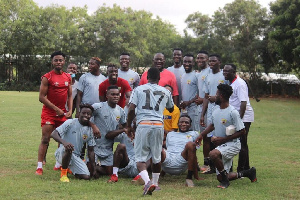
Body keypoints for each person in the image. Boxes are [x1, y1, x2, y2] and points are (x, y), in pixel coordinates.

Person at [196, 84, 257, 189]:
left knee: (213, 154)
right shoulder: (216, 110)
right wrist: (201, 135)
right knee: (220, 176)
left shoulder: (232, 112)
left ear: (222, 96)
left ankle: (225, 181)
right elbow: (212, 125)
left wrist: (223, 139)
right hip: (222, 146)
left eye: (216, 94)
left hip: (232, 144)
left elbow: (242, 131)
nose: (214, 96)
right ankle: (248, 173)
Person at [126, 67, 174, 195]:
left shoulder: (138, 89)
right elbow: (170, 108)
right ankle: (156, 183)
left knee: (140, 158)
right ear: (159, 78)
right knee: (156, 156)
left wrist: (129, 125)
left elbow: (131, 109)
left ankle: (148, 182)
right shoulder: (165, 91)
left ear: (147, 77)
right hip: (158, 125)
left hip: (144, 124)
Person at [35, 51, 72, 175]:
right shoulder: (47, 77)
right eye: (56, 60)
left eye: (60, 60)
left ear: (64, 62)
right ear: (52, 62)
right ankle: (39, 166)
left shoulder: (68, 77)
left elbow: (70, 96)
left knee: (61, 140)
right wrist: (56, 109)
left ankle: (58, 164)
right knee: (45, 139)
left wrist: (70, 110)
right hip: (49, 113)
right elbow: (41, 97)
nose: (58, 62)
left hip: (62, 114)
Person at [50, 104, 97, 182]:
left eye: (88, 114)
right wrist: (64, 142)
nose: (86, 115)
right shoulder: (70, 122)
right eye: (84, 113)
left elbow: (91, 151)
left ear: (91, 116)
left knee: (86, 177)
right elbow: (53, 134)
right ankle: (64, 174)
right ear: (79, 113)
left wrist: (94, 168)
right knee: (69, 148)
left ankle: (71, 169)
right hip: (62, 153)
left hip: (76, 157)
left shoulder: (90, 130)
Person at [223, 64, 255, 172]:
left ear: (233, 72)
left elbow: (243, 103)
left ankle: (241, 170)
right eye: (224, 71)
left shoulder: (240, 84)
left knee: (242, 142)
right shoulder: (230, 83)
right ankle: (246, 167)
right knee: (241, 142)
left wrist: (239, 121)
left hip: (244, 116)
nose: (225, 73)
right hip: (236, 116)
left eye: (227, 72)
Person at [92, 85, 127, 177]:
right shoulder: (98, 107)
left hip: (108, 148)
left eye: (117, 94)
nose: (115, 96)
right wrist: (93, 126)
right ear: (107, 96)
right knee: (91, 172)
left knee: (109, 173)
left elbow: (125, 125)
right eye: (112, 94)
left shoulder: (120, 111)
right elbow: (84, 116)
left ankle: (97, 167)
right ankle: (91, 166)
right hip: (95, 146)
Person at [200, 54, 226, 174]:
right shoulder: (207, 76)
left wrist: (216, 98)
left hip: (221, 110)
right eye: (210, 61)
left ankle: (224, 165)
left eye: (214, 61)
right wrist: (202, 114)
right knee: (210, 138)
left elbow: (227, 94)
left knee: (220, 136)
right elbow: (205, 97)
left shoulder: (224, 76)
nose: (211, 63)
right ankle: (212, 166)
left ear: (219, 62)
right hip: (210, 111)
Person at [161, 115, 200, 187]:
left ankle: (189, 178)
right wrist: (163, 172)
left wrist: (196, 175)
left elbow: (194, 154)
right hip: (167, 161)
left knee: (190, 144)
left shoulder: (194, 134)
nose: (184, 124)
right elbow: (168, 150)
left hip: (181, 161)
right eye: (181, 122)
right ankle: (154, 178)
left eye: (186, 122)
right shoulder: (170, 134)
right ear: (178, 124)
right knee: (156, 147)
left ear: (190, 125)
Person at [194, 50, 211, 172]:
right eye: (198, 58)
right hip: (201, 109)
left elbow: (211, 92)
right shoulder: (199, 74)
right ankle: (206, 163)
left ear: (207, 59)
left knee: (209, 137)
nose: (200, 60)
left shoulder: (211, 72)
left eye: (202, 58)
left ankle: (211, 163)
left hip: (210, 109)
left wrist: (204, 99)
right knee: (203, 136)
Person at [180, 54, 200, 132]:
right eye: (185, 61)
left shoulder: (197, 75)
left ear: (193, 63)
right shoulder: (183, 75)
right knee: (184, 131)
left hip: (193, 109)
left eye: (189, 62)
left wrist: (189, 102)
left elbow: (200, 94)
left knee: (193, 131)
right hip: (184, 109)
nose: (187, 64)